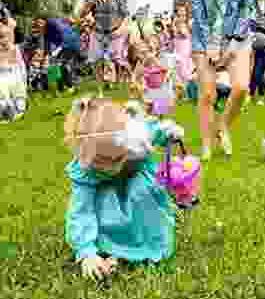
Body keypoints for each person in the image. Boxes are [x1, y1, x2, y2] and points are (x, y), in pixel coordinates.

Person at [63, 96, 184, 280]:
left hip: (139, 194)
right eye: (101, 163)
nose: (110, 168)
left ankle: (148, 238)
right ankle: (112, 248)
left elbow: (154, 132)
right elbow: (81, 211)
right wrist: (86, 251)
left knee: (140, 194)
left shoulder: (135, 138)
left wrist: (168, 133)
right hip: (109, 206)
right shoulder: (85, 168)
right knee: (107, 205)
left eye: (116, 159)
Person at [191, 0, 256, 161]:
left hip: (236, 38)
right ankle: (206, 145)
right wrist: (210, 43)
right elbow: (196, 4)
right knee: (208, 93)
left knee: (241, 88)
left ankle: (223, 127)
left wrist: (234, 43)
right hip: (204, 37)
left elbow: (247, 6)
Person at [80, 0, 129, 91]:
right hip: (98, 32)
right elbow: (82, 14)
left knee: (116, 59)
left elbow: (125, 15)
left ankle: (123, 78)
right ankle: (100, 83)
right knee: (95, 59)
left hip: (115, 32)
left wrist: (121, 29)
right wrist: (88, 5)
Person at [0, 25, 27, 122]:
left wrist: (22, 77)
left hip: (14, 75)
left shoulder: (14, 49)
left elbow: (20, 64)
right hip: (2, 76)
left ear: (9, 37)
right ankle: (8, 114)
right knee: (3, 97)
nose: (1, 41)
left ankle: (18, 109)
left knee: (17, 97)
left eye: (3, 37)